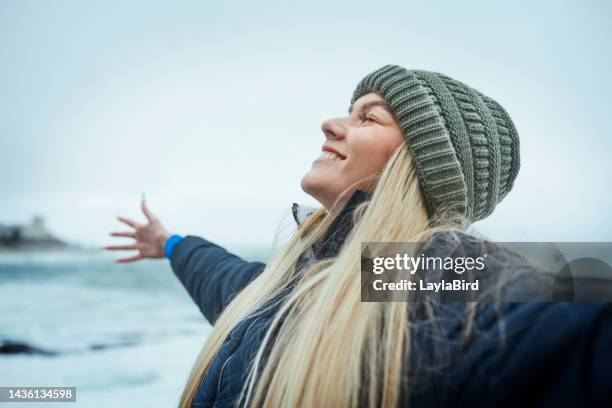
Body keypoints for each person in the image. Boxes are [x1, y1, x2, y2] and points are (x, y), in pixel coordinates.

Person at [105, 64, 612, 407]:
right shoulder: (293, 283)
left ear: (423, 165)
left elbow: (547, 321)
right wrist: (170, 243)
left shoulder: (421, 274)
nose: (330, 124)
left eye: (368, 117)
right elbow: (225, 279)